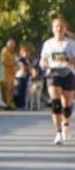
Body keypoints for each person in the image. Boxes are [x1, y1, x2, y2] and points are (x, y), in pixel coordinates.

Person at [40, 15, 75, 145]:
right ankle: (58, 133)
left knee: (67, 105)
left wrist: (67, 59)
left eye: (61, 27)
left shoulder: (70, 43)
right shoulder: (48, 44)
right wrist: (43, 63)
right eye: (56, 26)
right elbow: (43, 59)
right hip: (53, 73)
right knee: (56, 103)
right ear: (52, 29)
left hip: (68, 73)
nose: (59, 29)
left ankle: (66, 124)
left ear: (65, 28)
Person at [0, 39, 18, 110]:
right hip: (6, 73)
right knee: (6, 89)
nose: (13, 46)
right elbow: (3, 61)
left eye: (14, 45)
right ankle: (7, 104)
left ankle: (10, 103)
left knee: (11, 90)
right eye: (11, 45)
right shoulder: (5, 51)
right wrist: (12, 63)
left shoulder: (12, 52)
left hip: (12, 74)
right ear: (8, 44)